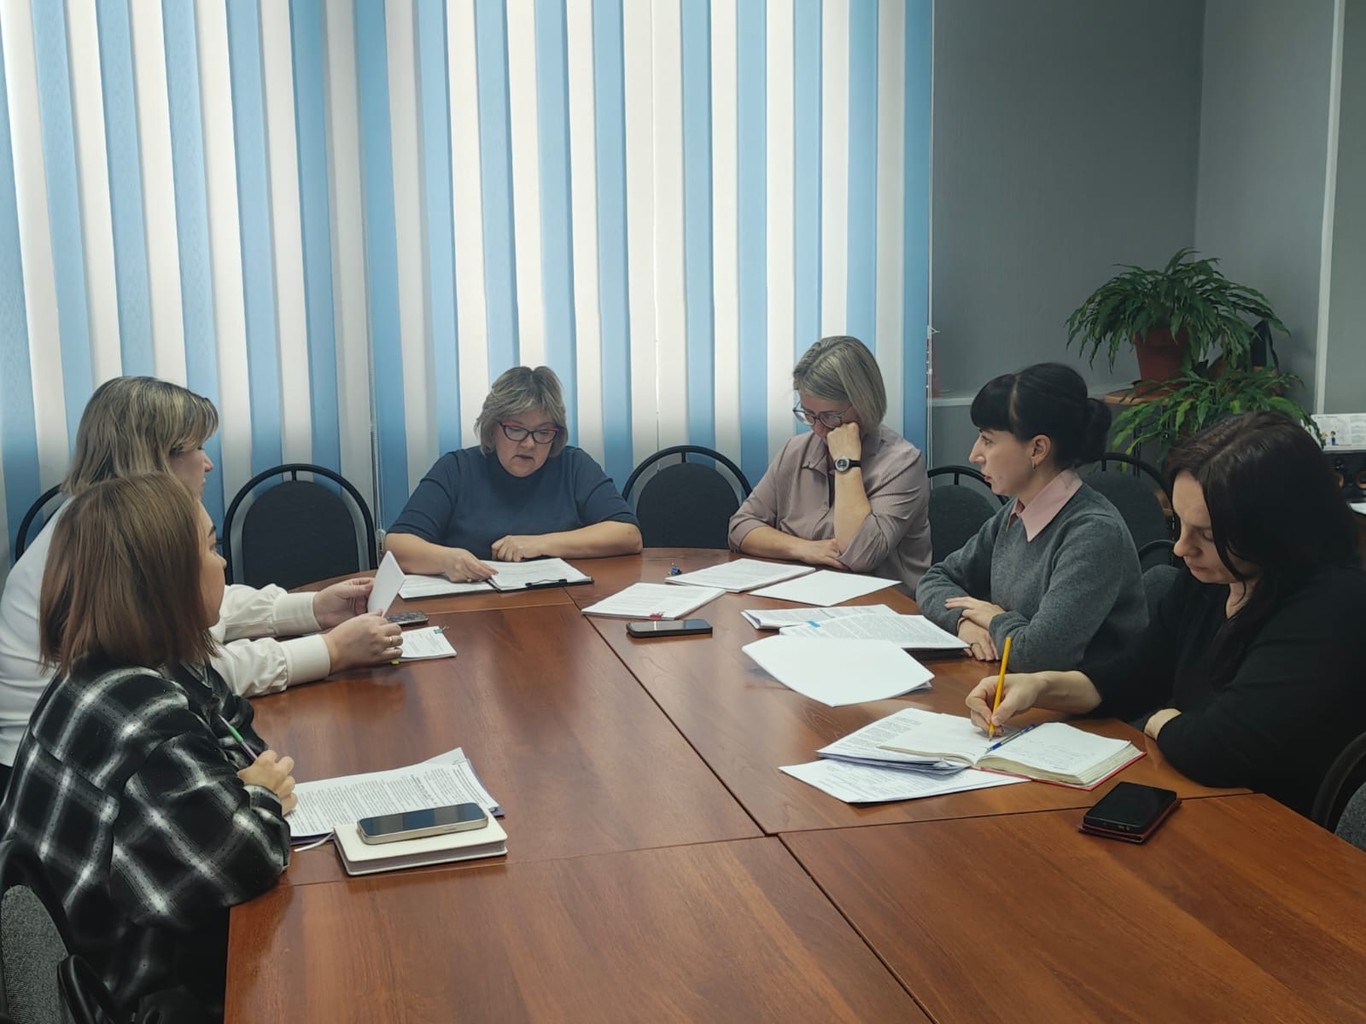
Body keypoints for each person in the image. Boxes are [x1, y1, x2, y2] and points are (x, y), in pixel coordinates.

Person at [0, 377, 401, 785]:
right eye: (197, 447)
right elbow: (193, 675)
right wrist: (330, 650)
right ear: (158, 457)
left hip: (94, 749)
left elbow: (205, 603)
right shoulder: (104, 546)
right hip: (56, 772)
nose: (208, 464)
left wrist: (312, 609)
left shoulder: (100, 520)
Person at [966, 411, 1366, 817]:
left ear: (1274, 530)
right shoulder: (1214, 578)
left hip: (1281, 826)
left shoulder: (1332, 605)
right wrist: (1039, 687)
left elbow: (1220, 749)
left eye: (1207, 535)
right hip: (1206, 803)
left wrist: (1159, 720)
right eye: (1178, 524)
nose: (1181, 548)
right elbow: (1132, 676)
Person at [0, 474, 294, 1017]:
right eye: (212, 547)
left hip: (102, 965)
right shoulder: (143, 718)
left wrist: (243, 785)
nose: (224, 563)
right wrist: (261, 795)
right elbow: (248, 855)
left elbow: (236, 729)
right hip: (130, 1001)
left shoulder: (121, 668)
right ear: (168, 579)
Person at [916, 363, 1145, 671]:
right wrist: (964, 623)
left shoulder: (1094, 533)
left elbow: (1039, 654)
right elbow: (934, 579)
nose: (974, 455)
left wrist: (994, 619)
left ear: (1037, 449)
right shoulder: (1016, 512)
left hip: (1084, 700)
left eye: (988, 440)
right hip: (1014, 683)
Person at [385, 366, 642, 581]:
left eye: (543, 432)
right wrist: (446, 559)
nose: (529, 444)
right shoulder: (457, 469)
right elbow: (396, 544)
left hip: (560, 604)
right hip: (473, 610)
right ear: (492, 429)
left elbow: (628, 535)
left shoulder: (574, 466)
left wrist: (539, 543)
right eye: (516, 429)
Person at [728, 335, 931, 593]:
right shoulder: (795, 451)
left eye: (830, 416)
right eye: (808, 414)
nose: (818, 429)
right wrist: (804, 548)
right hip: (800, 597)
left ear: (864, 404)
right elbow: (740, 527)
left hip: (879, 605)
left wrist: (846, 464)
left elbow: (859, 556)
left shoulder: (903, 464)